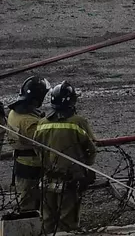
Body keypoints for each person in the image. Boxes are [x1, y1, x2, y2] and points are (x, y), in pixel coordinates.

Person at [31, 82, 95, 233]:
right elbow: (91, 148)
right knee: (67, 221)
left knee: (47, 219)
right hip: (70, 180)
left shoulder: (42, 123)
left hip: (47, 177)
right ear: (71, 101)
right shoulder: (78, 122)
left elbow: (36, 147)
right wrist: (86, 167)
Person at [6, 77, 49, 215]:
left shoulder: (15, 112)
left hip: (21, 164)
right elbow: (45, 142)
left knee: (26, 200)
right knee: (30, 207)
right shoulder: (29, 122)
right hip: (31, 167)